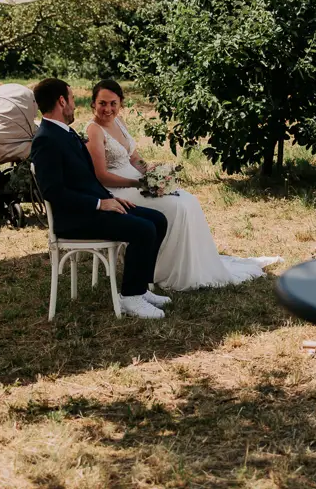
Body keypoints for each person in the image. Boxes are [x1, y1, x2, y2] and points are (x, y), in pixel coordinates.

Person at [84, 79, 280, 291]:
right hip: (118, 190)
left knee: (189, 200)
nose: (108, 109)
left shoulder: (119, 122)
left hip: (137, 182)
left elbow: (133, 158)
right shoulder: (93, 130)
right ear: (93, 104)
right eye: (102, 103)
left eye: (113, 103)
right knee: (176, 207)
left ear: (120, 103)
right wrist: (138, 182)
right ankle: (162, 270)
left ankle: (192, 265)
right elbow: (102, 176)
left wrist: (152, 172)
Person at [30, 78, 171, 320]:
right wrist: (99, 204)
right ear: (61, 101)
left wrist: (110, 198)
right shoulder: (46, 139)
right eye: (72, 98)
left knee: (157, 220)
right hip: (75, 218)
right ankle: (130, 298)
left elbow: (87, 179)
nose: (74, 104)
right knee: (144, 229)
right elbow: (53, 192)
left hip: (93, 207)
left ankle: (141, 287)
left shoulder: (64, 132)